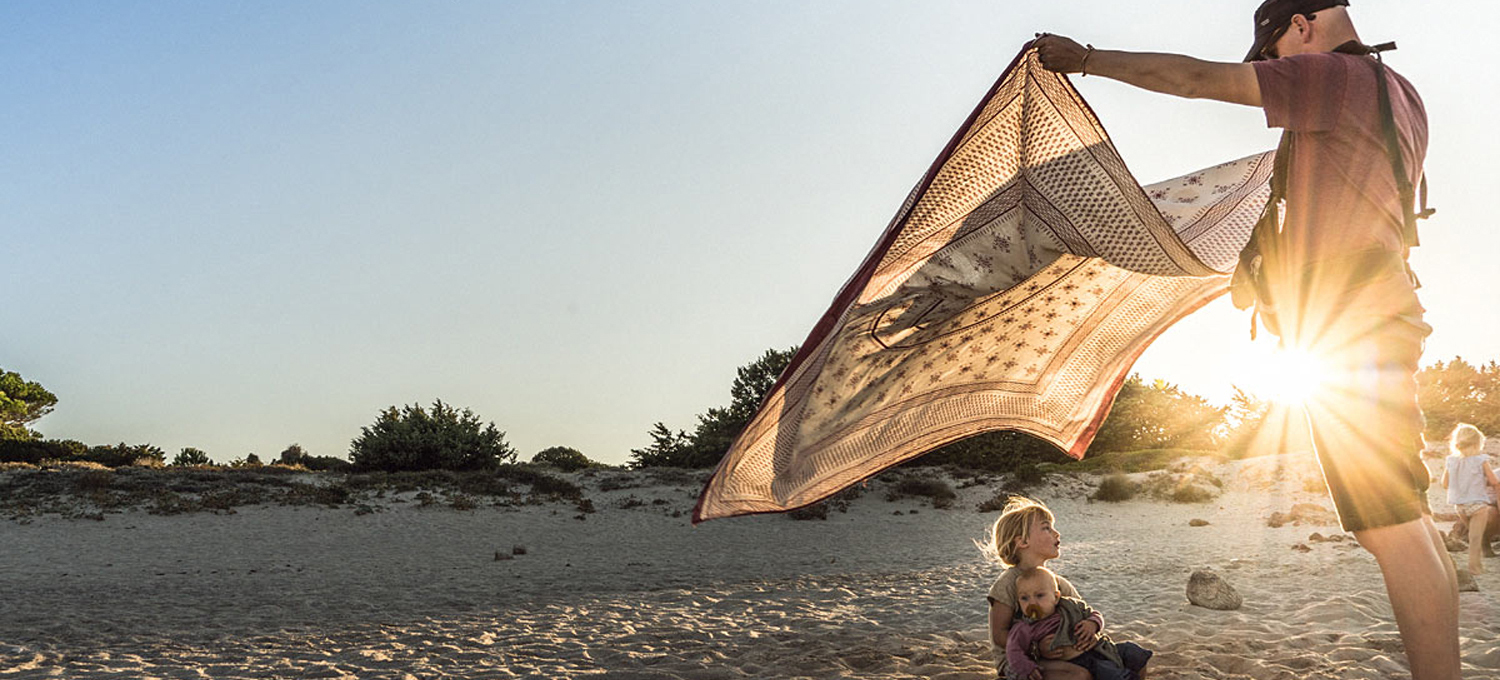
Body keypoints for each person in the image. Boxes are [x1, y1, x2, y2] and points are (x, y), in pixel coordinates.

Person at [1033, 2, 1459, 678]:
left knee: (1389, 524)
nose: (1273, 74)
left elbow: (1198, 79)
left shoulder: (1333, 77)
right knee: (1405, 518)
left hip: (1352, 316)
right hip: (1378, 305)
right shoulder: (1397, 91)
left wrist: (1087, 59)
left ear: (1301, 25)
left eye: (1272, 58)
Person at [979, 497, 1093, 680]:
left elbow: (1081, 614)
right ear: (1023, 542)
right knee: (1079, 675)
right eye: (1046, 528)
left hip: (1063, 651)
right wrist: (1035, 647)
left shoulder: (1059, 584)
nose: (1057, 534)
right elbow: (999, 634)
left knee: (1129, 660)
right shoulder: (1007, 584)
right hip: (1020, 659)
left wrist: (1090, 630)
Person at [1007, 567, 1152, 680]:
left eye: (1039, 595)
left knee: (1134, 652)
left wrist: (1092, 624)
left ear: (1056, 597)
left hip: (1100, 648)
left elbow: (1094, 614)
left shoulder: (1070, 607)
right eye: (1024, 598)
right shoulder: (1025, 627)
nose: (1032, 602)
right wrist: (1028, 667)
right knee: (1113, 674)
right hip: (1079, 661)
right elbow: (1013, 650)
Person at [1439, 424, 1499, 574]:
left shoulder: (1451, 461)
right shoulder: (1481, 460)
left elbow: (1444, 484)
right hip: (1478, 505)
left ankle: (1476, 566)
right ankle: (1475, 568)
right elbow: (1494, 481)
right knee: (1475, 538)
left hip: (1459, 505)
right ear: (1477, 443)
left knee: (1473, 535)